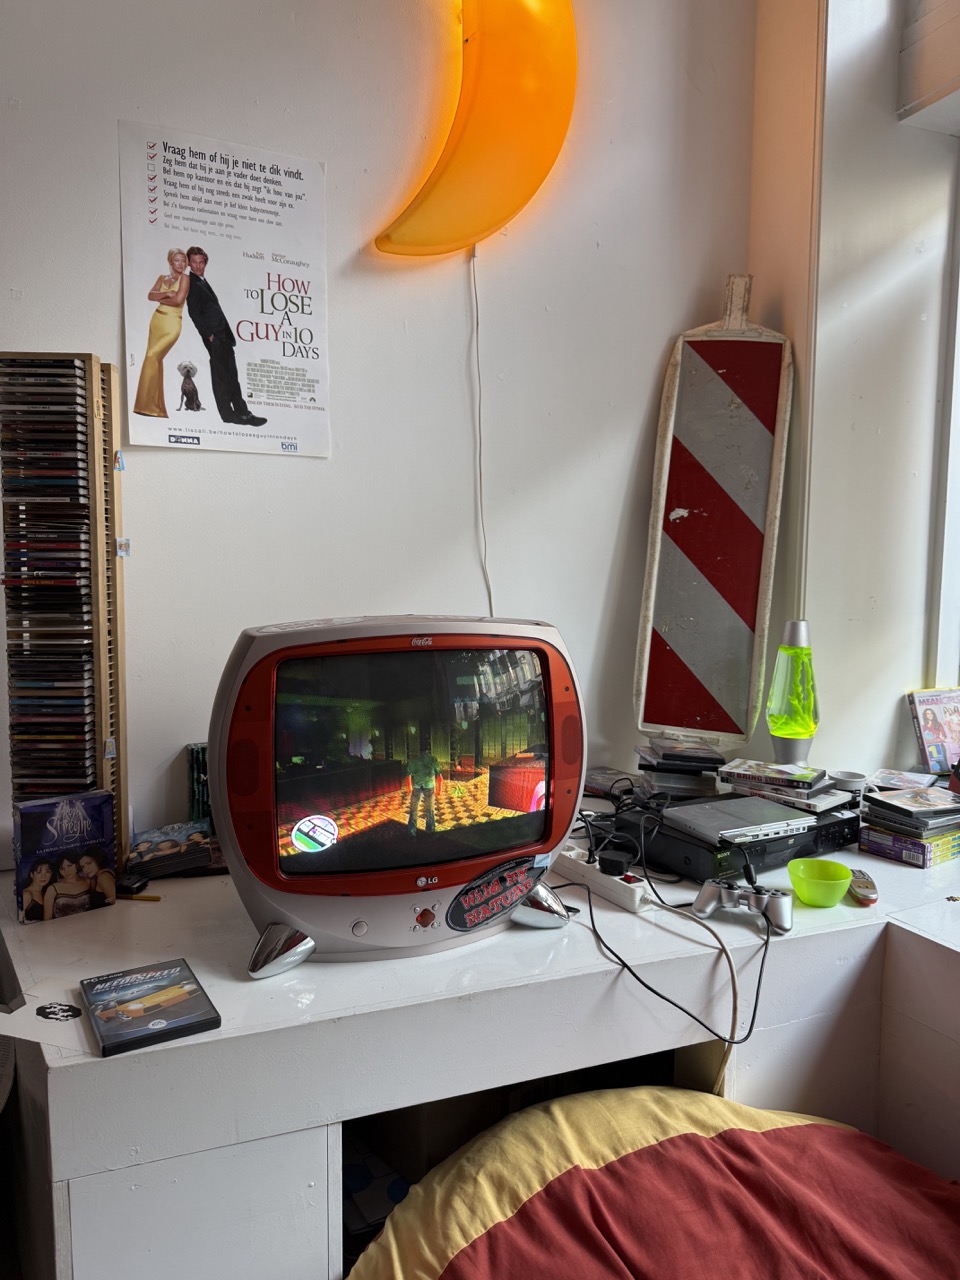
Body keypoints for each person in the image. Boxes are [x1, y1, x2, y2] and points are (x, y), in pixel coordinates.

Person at [184, 245, 266, 426]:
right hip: (215, 338)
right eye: (194, 262)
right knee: (222, 378)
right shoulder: (193, 284)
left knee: (231, 376)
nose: (198, 266)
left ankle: (242, 413)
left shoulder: (202, 281)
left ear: (205, 262)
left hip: (223, 336)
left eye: (201, 262)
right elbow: (194, 313)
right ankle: (230, 415)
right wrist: (209, 336)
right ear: (189, 263)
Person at [133, 248, 192, 417]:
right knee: (154, 360)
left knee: (152, 356)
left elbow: (178, 300)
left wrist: (160, 297)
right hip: (157, 321)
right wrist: (166, 293)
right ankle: (154, 408)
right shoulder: (162, 278)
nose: (181, 264)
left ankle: (148, 406)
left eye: (183, 261)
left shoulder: (185, 278)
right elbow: (150, 295)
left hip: (172, 324)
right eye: (177, 260)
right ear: (170, 262)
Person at [43, 853, 94, 920]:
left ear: (76, 864)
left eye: (69, 866)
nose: (66, 871)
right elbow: (47, 920)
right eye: (62, 868)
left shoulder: (89, 882)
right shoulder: (52, 889)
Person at [405, 749, 443, 835]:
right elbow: (440, 777)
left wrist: (409, 787)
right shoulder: (433, 759)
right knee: (430, 809)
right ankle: (430, 830)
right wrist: (439, 790)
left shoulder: (413, 760)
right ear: (428, 750)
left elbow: (408, 775)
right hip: (429, 785)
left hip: (416, 786)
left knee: (414, 808)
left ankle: (412, 830)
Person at [21, 857, 55, 922]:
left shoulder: (48, 891)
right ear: (31, 874)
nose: (43, 876)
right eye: (39, 872)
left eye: (47, 872)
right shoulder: (26, 894)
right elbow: (20, 920)